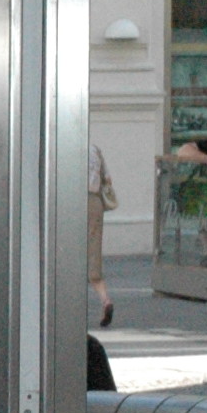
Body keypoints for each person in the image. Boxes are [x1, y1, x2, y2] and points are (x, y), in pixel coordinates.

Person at [88, 138, 118, 327]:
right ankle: (105, 299)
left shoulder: (62, 148)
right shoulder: (94, 150)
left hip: (71, 200)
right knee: (93, 252)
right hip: (94, 202)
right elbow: (107, 179)